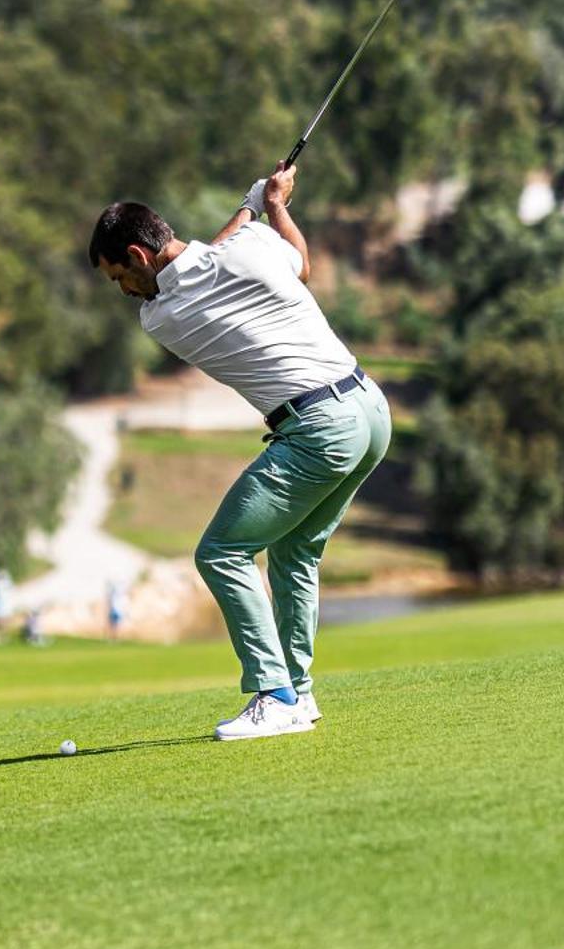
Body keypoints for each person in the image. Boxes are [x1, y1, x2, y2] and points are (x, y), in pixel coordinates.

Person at [88, 160, 391, 741]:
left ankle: (273, 693)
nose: (123, 293)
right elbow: (297, 262)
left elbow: (208, 255)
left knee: (221, 553)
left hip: (319, 429)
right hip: (369, 412)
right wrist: (271, 206)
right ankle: (297, 696)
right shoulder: (251, 248)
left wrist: (252, 202)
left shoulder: (162, 316)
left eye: (117, 277)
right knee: (295, 554)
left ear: (138, 257)